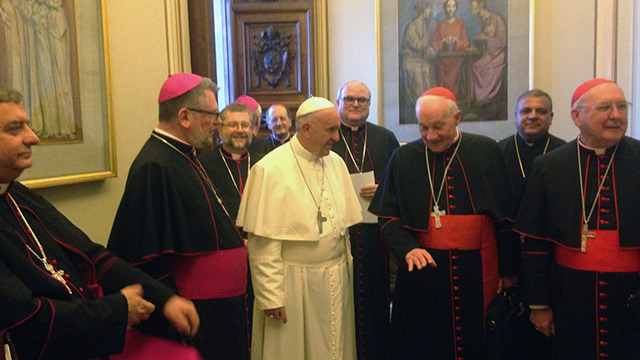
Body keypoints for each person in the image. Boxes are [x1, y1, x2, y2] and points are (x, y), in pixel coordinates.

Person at [0, 85, 199, 359]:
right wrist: (118, 310)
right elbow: (28, 320)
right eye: (14, 129)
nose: (32, 137)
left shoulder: (18, 195)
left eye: (28, 126)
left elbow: (93, 256)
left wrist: (164, 298)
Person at [107, 73, 249, 360]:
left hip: (220, 309)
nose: (217, 123)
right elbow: (145, 255)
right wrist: (167, 303)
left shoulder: (185, 156)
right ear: (185, 116)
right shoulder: (155, 165)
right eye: (212, 114)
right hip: (196, 312)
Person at [369, 87, 517, 359]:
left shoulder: (485, 151)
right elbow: (387, 216)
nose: (430, 136)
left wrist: (508, 271)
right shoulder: (403, 158)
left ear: (457, 117)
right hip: (423, 270)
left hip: (478, 267)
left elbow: (506, 218)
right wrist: (407, 249)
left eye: (438, 126)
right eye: (423, 127)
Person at [514, 78, 640, 360]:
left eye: (622, 106)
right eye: (605, 107)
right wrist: (538, 304)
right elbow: (535, 244)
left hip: (632, 294)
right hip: (569, 294)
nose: (616, 115)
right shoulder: (550, 166)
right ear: (576, 116)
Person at [236, 96, 362, 359]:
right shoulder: (269, 169)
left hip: (336, 278)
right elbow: (263, 243)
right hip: (292, 285)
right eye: (331, 130)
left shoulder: (336, 163)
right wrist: (271, 296)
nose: (337, 138)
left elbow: (344, 232)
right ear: (306, 129)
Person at [333, 80, 399, 360]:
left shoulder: (385, 138)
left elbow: (399, 181)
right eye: (350, 99)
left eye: (363, 100)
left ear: (370, 105)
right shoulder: (328, 135)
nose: (356, 104)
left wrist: (382, 187)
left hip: (375, 239)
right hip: (336, 232)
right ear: (338, 103)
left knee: (374, 299)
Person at [499, 89, 566, 201]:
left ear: (551, 117)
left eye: (541, 111)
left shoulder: (564, 152)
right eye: (526, 111)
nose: (533, 116)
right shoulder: (498, 152)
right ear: (516, 116)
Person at [399, 0, 437, 124]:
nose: (430, 11)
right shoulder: (412, 26)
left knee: (427, 70)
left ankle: (430, 111)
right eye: (428, 9)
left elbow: (425, 48)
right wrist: (430, 33)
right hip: (410, 60)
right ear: (423, 10)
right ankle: (421, 112)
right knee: (418, 73)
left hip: (421, 60)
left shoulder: (425, 25)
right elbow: (418, 45)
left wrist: (432, 50)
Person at [470, 0, 507, 106]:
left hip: (498, 55)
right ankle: (477, 97)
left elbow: (502, 42)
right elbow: (484, 43)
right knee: (473, 64)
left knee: (478, 66)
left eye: (473, 5)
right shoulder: (485, 21)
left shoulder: (495, 18)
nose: (471, 8)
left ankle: (485, 96)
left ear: (480, 5)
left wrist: (485, 38)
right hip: (489, 54)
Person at [432, 0, 470, 99]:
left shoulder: (460, 23)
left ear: (456, 8)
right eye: (448, 6)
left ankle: (455, 96)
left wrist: (456, 41)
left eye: (453, 6)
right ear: (445, 8)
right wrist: (444, 41)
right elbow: (435, 43)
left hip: (456, 58)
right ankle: (444, 97)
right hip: (443, 59)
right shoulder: (440, 25)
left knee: (458, 68)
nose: (450, 9)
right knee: (439, 68)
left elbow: (466, 42)